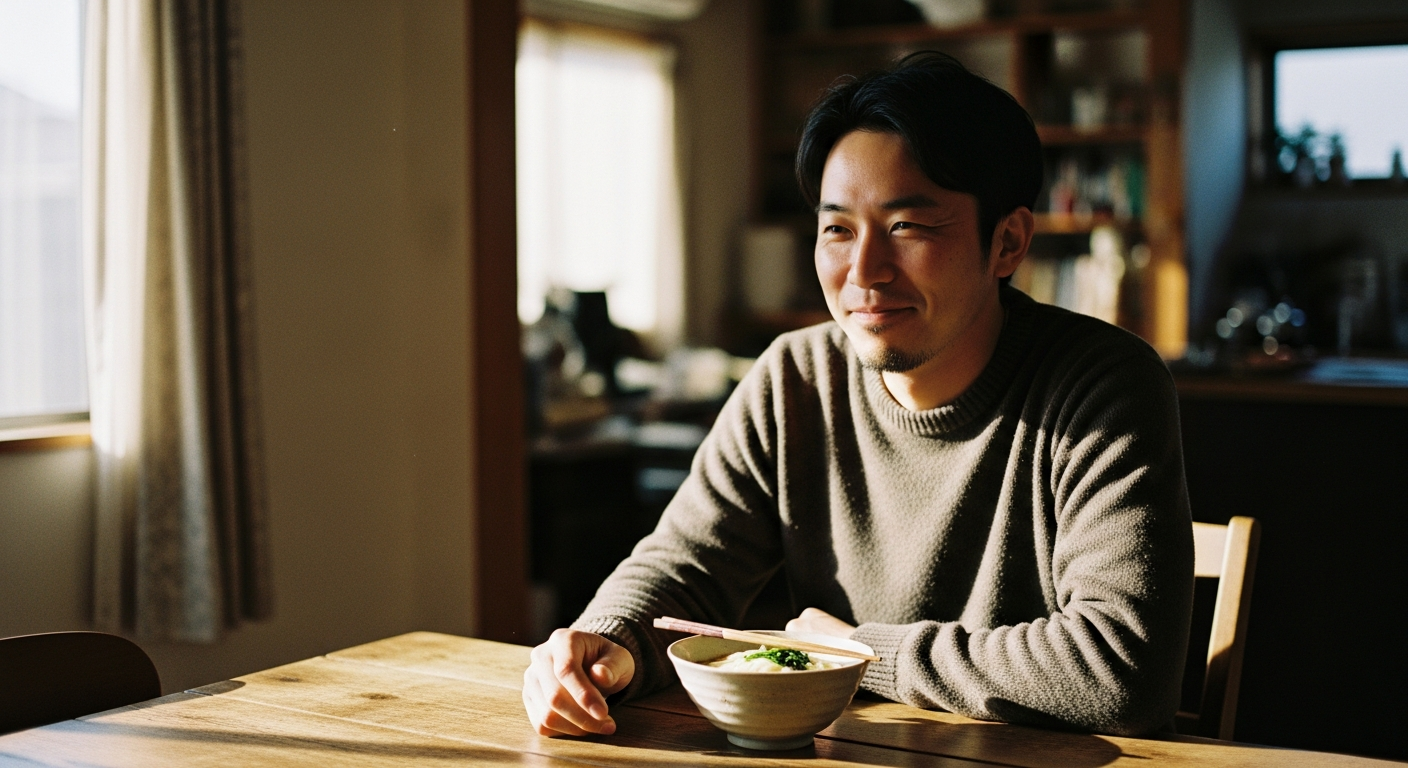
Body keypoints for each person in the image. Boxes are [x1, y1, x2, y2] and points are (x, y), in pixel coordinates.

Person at [521, 51, 1194, 739]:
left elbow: (1119, 672)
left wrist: (862, 652)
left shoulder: (1103, 385)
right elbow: (685, 566)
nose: (864, 273)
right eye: (838, 229)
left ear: (1008, 241)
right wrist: (604, 643)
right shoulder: (795, 379)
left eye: (907, 227)